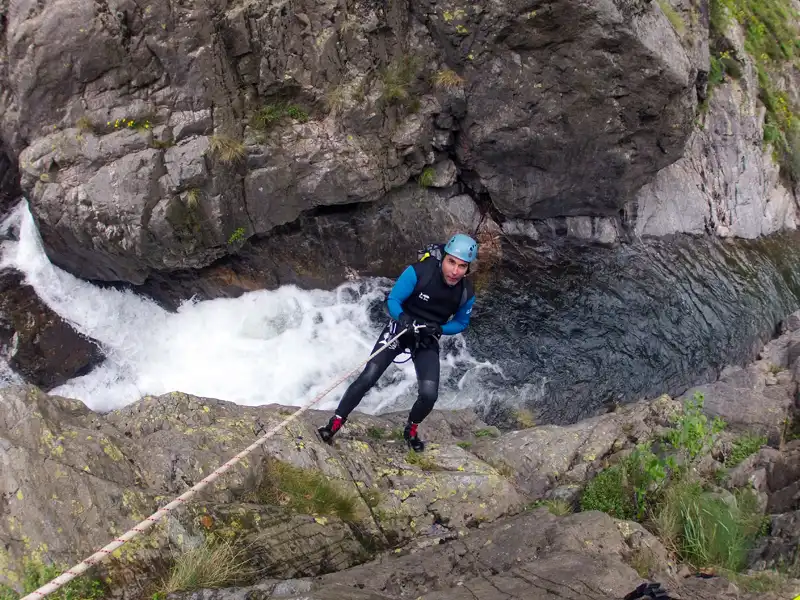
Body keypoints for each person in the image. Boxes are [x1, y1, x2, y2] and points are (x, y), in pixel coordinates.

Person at [317, 233, 478, 452]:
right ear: (444, 258)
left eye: (462, 266)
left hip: (426, 336)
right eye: (451, 262)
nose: (455, 271)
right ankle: (334, 423)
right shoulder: (419, 272)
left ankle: (411, 429)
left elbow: (461, 322)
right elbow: (393, 300)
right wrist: (402, 318)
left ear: (468, 269)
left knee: (429, 395)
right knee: (368, 377)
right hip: (400, 330)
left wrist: (440, 328)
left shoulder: (466, 292)